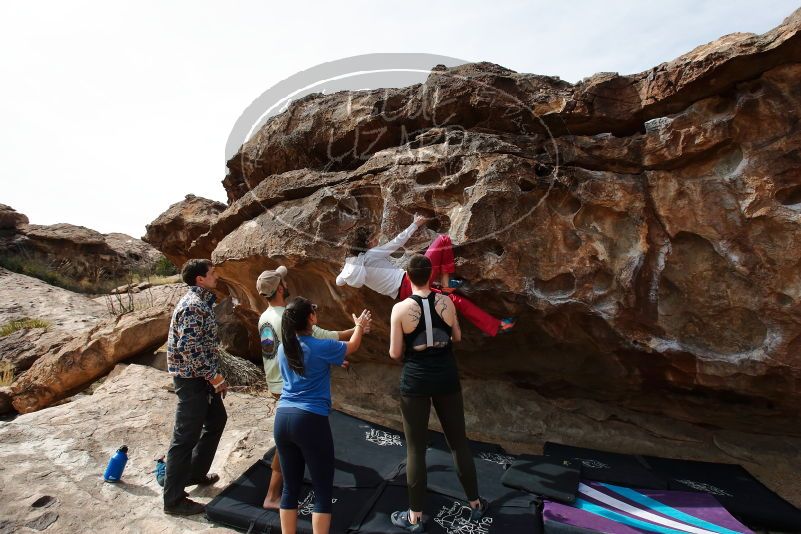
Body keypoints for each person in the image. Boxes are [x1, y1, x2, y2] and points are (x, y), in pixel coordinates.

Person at [388, 254, 487, 532]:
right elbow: (456, 336)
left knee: (416, 450)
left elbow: (395, 353)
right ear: (431, 276)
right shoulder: (447, 302)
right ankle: (476, 504)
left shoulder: (400, 309)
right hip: (446, 377)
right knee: (458, 443)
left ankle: (415, 518)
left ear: (408, 277)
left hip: (416, 381)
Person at [256, 265, 368, 509]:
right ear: (279, 289)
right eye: (283, 282)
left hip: (277, 379)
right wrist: (358, 328)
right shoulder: (288, 317)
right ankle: (273, 493)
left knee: (286, 440)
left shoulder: (265, 317)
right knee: (291, 446)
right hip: (291, 384)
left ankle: (279, 492)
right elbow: (323, 338)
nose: (287, 284)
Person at [274, 297, 371, 534]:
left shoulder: (283, 347)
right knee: (322, 490)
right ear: (311, 318)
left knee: (290, 488)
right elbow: (352, 346)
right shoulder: (319, 346)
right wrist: (359, 325)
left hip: (282, 417)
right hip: (309, 420)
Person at [335, 215, 515, 336]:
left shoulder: (355, 266)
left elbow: (339, 280)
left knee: (455, 301)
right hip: (412, 280)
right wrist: (416, 223)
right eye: (374, 238)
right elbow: (396, 243)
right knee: (443, 240)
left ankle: (496, 325)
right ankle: (445, 284)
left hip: (405, 295)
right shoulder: (371, 255)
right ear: (367, 243)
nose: (376, 240)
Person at [163, 259, 228, 516]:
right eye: (212, 273)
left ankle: (196, 473)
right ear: (200, 279)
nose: (216, 276)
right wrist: (214, 377)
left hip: (200, 377)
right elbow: (188, 348)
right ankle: (173, 500)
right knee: (184, 439)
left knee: (216, 420)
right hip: (192, 380)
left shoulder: (202, 302)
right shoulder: (193, 306)